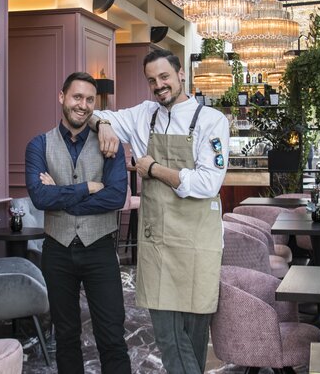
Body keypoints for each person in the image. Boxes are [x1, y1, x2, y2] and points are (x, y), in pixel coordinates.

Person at [89, 49, 229, 374]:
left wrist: (152, 169)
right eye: (152, 80)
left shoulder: (212, 121)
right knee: (167, 336)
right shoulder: (143, 115)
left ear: (181, 75)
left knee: (193, 338)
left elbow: (208, 183)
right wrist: (106, 126)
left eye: (164, 77)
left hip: (197, 245)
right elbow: (93, 114)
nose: (159, 85)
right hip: (157, 244)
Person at [25, 72, 130, 374]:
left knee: (111, 337)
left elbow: (115, 198)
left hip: (99, 251)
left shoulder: (110, 144)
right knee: (67, 337)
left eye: (88, 99)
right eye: (76, 97)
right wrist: (88, 187)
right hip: (56, 252)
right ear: (62, 97)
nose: (82, 105)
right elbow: (40, 198)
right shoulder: (38, 145)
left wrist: (60, 195)